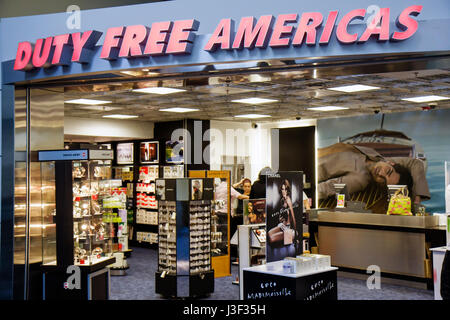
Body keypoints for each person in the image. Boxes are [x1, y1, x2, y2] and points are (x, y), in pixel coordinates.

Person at [317, 143, 430, 208]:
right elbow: (416, 163)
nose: (380, 173)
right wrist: (418, 195)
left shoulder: (360, 179)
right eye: (388, 172)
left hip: (308, 170)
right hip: (313, 152)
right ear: (391, 163)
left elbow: (326, 189)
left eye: (383, 180)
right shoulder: (379, 158)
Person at [267, 179, 297, 245]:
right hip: (283, 225)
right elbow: (283, 215)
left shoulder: (288, 200)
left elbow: (293, 217)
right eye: (282, 189)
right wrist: (281, 219)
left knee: (272, 238)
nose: (284, 191)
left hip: (289, 229)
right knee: (269, 233)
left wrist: (297, 237)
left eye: (285, 189)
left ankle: (294, 235)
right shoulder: (282, 200)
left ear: (288, 190)